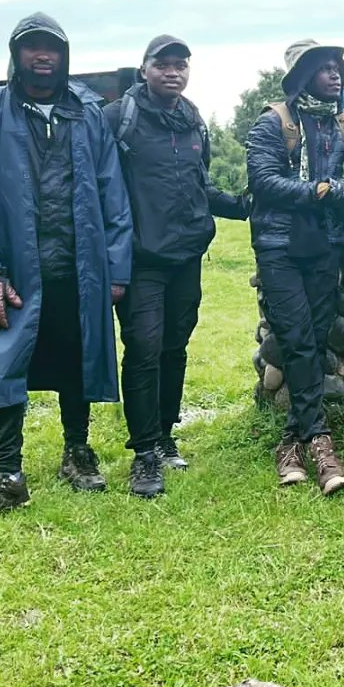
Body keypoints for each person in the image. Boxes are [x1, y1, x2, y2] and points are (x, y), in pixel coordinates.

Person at [0, 13, 132, 522]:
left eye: (51, 48)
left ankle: (77, 451)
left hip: (78, 265)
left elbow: (113, 192)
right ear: (16, 55)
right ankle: (6, 474)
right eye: (32, 47)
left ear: (64, 56)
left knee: (77, 355)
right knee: (1, 361)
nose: (42, 56)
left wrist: (116, 268)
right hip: (10, 270)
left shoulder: (87, 114)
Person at [104, 35, 250, 498]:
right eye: (163, 64)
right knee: (143, 349)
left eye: (181, 65)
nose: (173, 72)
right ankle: (144, 453)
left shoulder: (192, 120)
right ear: (144, 69)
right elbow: (98, 187)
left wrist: (242, 205)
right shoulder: (118, 119)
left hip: (187, 256)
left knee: (175, 347)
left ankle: (165, 437)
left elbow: (199, 183)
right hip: (141, 260)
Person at [246, 40, 344, 493]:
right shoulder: (273, 122)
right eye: (324, 68)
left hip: (326, 243)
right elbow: (264, 181)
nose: (336, 74)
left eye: (338, 67)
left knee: (315, 340)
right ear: (303, 76)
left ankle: (290, 443)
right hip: (280, 247)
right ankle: (321, 444)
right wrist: (320, 191)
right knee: (299, 339)